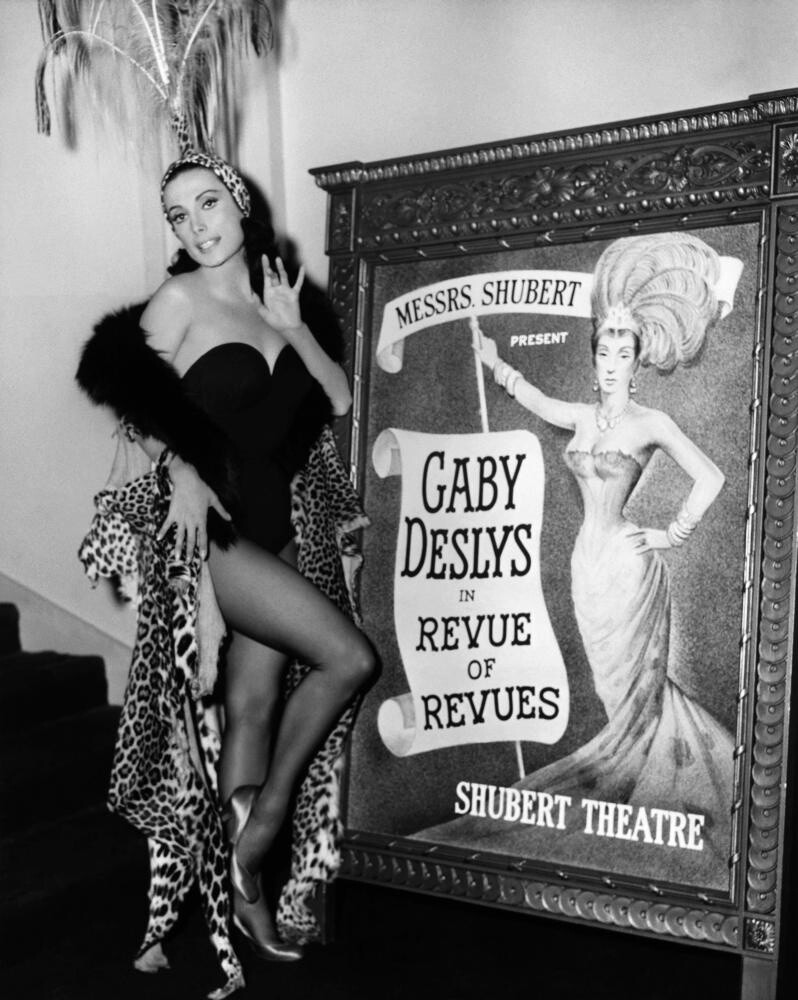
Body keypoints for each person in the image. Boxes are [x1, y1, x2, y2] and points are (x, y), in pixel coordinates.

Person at [77, 151, 376, 985]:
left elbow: (339, 400)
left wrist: (291, 328)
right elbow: (134, 408)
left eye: (208, 203)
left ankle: (244, 901)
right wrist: (178, 464)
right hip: (212, 534)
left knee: (251, 708)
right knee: (350, 658)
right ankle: (261, 826)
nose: (196, 225)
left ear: (240, 205)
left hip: (277, 531)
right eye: (179, 214)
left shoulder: (276, 297)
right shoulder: (177, 301)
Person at [419, 234, 736, 881]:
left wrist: (672, 534)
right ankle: (631, 795)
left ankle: (656, 802)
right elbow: (533, 399)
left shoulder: (651, 423)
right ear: (593, 358)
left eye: (624, 352)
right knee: (607, 688)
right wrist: (495, 363)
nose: (613, 362)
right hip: (584, 567)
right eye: (604, 351)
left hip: (627, 567)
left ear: (637, 361)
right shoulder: (581, 415)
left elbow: (712, 477)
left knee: (634, 695)